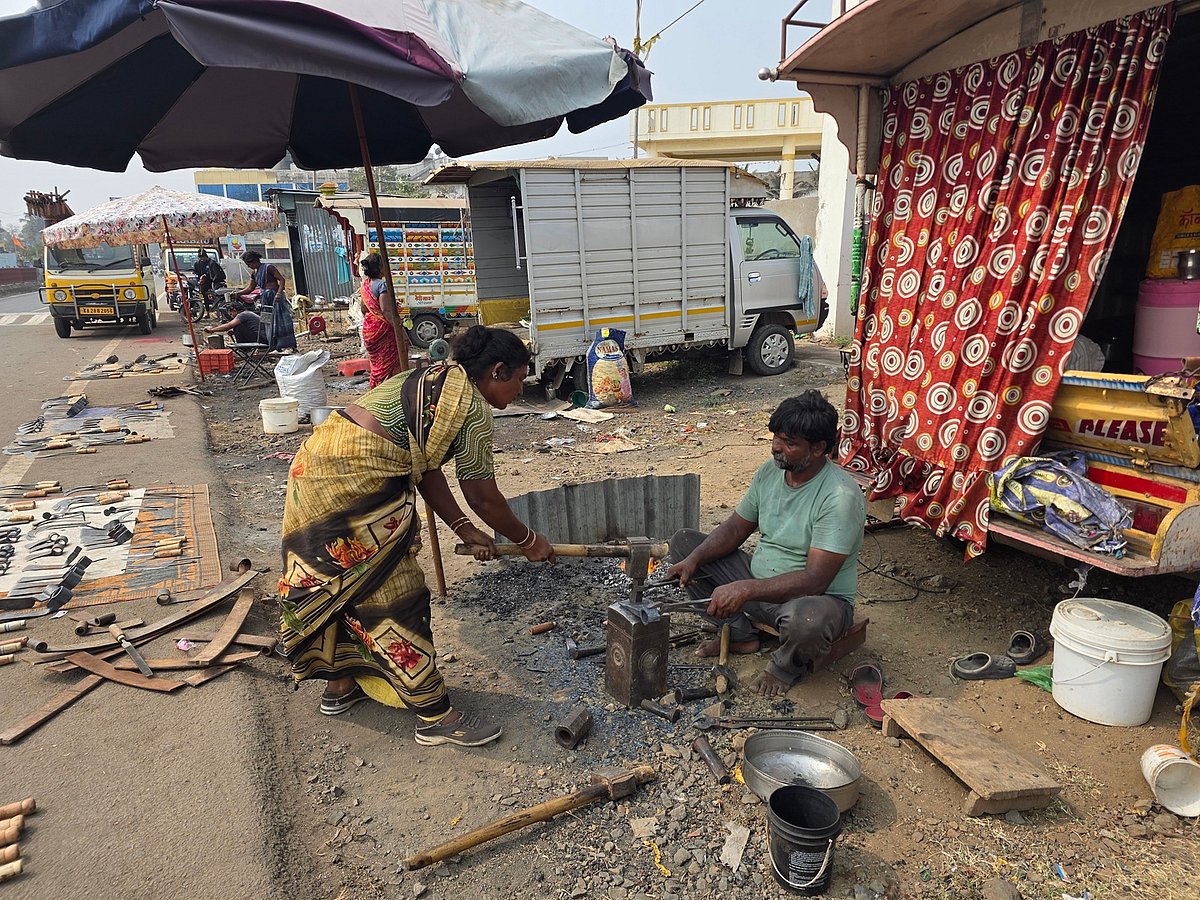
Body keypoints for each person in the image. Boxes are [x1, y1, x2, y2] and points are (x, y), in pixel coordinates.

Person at [277, 325, 555, 748]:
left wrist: (462, 527)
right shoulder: (473, 409)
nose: (520, 389)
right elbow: (482, 495)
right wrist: (528, 539)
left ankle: (340, 685)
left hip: (316, 468)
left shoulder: (435, 379)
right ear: (498, 371)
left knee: (342, 585)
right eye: (519, 378)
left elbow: (424, 466)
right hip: (355, 483)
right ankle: (434, 716)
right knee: (395, 594)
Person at [666, 391, 865, 697]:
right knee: (684, 544)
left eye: (789, 442)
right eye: (776, 437)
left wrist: (744, 589)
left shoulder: (839, 497)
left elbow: (815, 580)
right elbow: (735, 528)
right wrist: (694, 560)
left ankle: (785, 667)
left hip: (810, 600)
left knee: (809, 621)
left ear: (819, 448)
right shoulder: (771, 472)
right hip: (760, 585)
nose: (775, 447)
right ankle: (739, 633)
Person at [237, 250, 296, 352]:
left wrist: (279, 293)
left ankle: (287, 345)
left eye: (249, 264)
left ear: (254, 261)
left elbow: (281, 280)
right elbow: (250, 288)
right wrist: (238, 293)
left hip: (275, 297)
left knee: (280, 321)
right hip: (265, 299)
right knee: (267, 322)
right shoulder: (254, 273)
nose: (248, 266)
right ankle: (272, 345)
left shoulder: (269, 268)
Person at [359, 252, 402, 387]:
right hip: (381, 329)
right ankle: (388, 389)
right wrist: (398, 327)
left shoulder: (365, 285)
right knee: (390, 361)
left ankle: (376, 386)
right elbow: (385, 310)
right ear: (380, 268)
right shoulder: (381, 285)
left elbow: (364, 309)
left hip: (369, 329)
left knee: (377, 364)